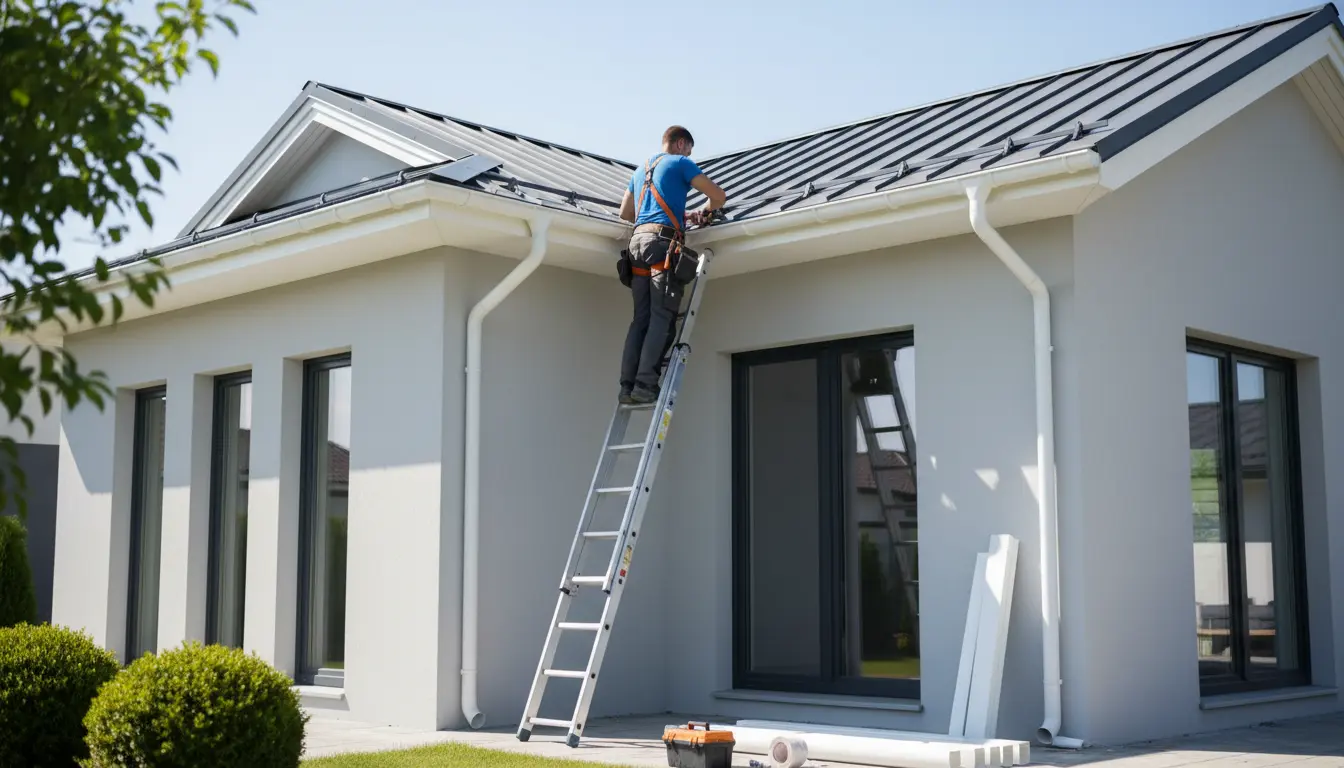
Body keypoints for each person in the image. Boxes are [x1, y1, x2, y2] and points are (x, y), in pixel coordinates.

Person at [615, 125, 726, 404]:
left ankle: (627, 387)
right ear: (679, 144)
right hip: (661, 245)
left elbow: (626, 212)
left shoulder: (641, 171)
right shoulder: (681, 163)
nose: (690, 154)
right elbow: (718, 196)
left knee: (640, 319)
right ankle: (645, 384)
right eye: (689, 149)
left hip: (637, 244)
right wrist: (706, 214)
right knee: (661, 317)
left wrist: (680, 214)